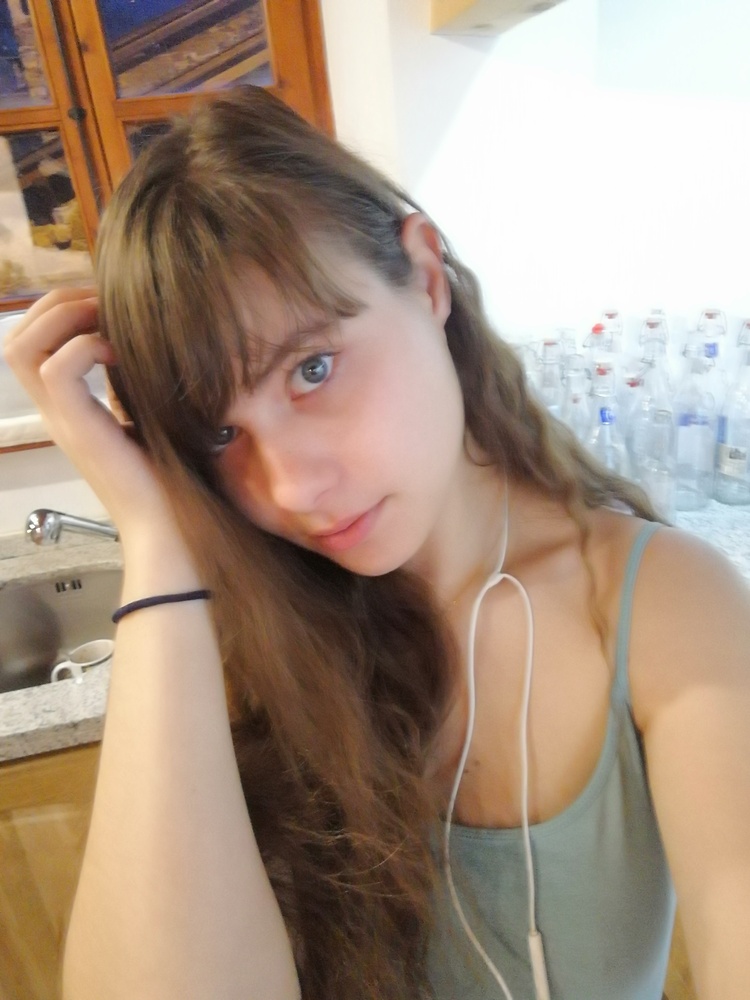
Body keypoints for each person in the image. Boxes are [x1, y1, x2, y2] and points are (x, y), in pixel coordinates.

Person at [5, 87, 749, 1000]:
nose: (291, 487)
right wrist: (159, 535)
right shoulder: (240, 638)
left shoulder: (658, 608)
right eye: (218, 434)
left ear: (427, 278)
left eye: (312, 369)